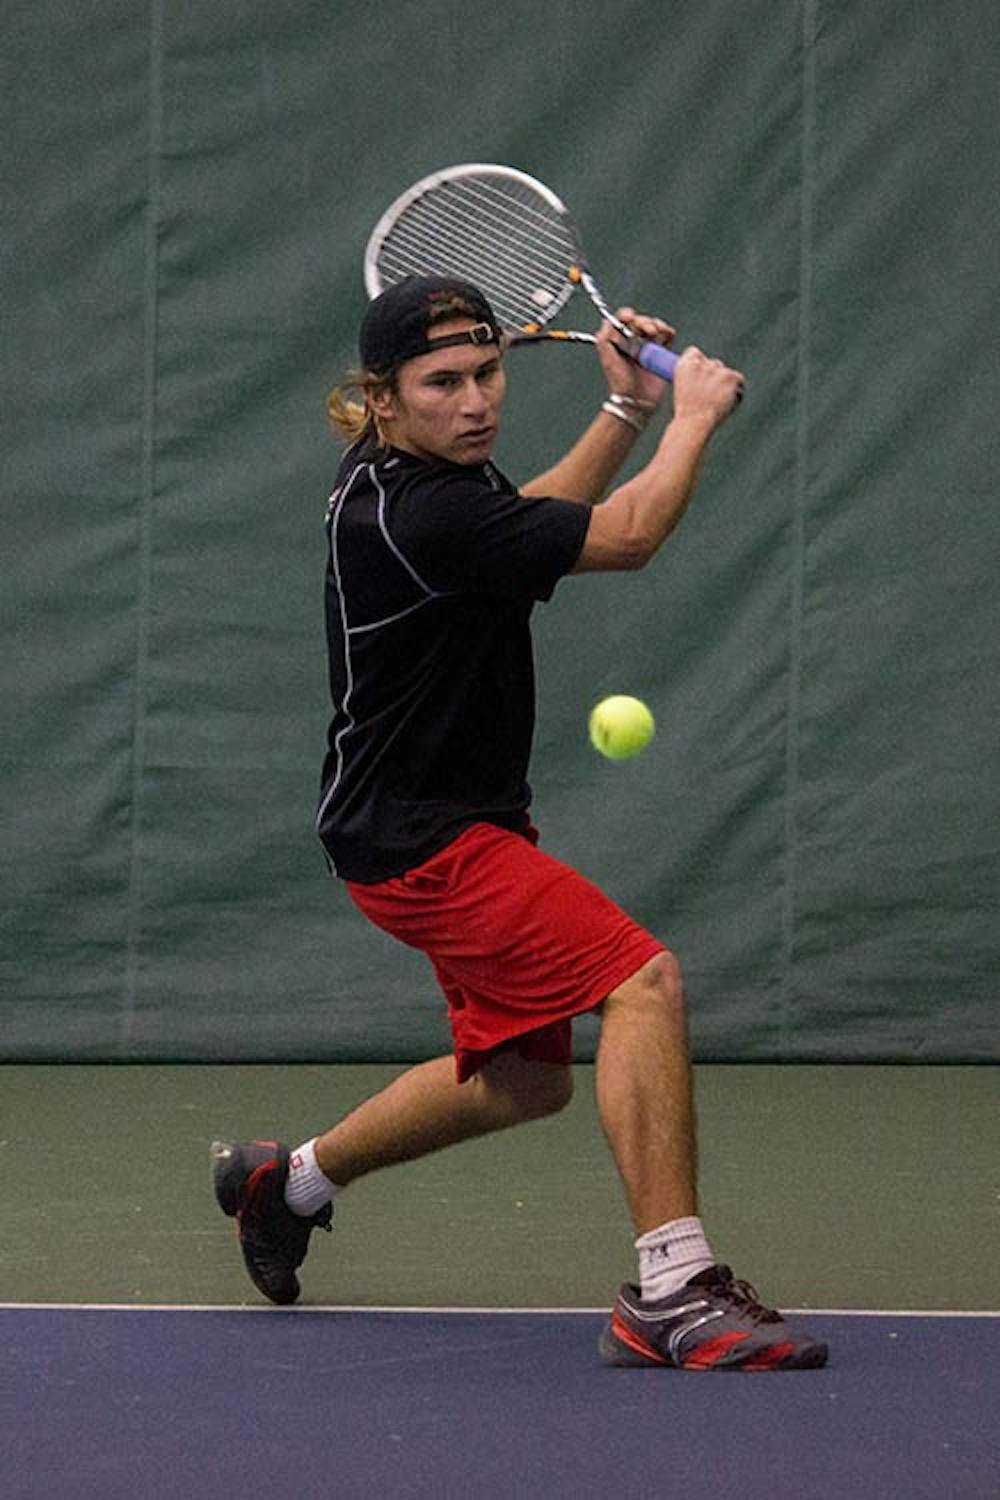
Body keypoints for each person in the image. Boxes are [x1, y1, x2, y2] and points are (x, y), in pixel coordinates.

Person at [211, 274, 827, 1371]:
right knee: (642, 980)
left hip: (437, 823)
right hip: (422, 840)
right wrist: (689, 419)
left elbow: (525, 531)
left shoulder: (424, 479)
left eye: (487, 374)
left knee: (525, 1079)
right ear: (381, 399)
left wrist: (625, 410)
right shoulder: (415, 508)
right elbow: (623, 537)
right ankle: (674, 1290)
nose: (474, 402)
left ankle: (288, 1181)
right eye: (441, 383)